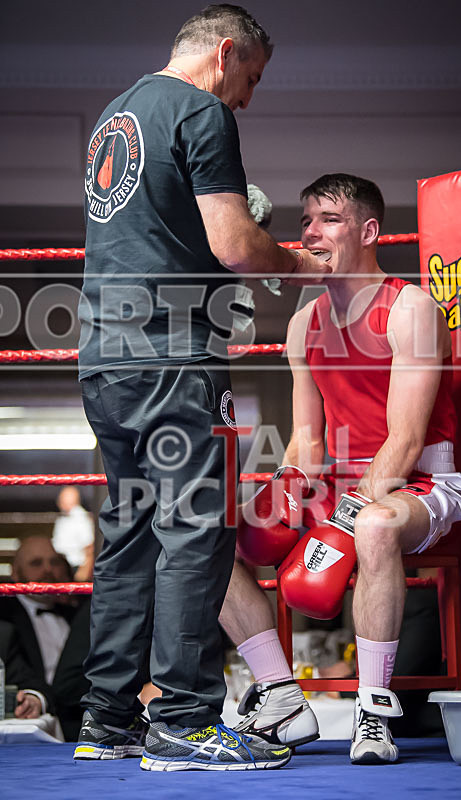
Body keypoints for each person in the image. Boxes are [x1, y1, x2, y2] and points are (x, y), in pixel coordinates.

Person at [75, 4, 328, 772]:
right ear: (225, 55)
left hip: (103, 359)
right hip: (169, 354)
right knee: (195, 528)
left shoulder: (114, 116)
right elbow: (234, 244)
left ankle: (106, 721)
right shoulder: (198, 109)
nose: (246, 98)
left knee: (130, 535)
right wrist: (305, 270)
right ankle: (183, 721)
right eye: (249, 79)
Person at [221, 173, 461, 764]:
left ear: (368, 232)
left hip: (418, 482)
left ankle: (374, 712)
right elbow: (308, 438)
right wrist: (284, 490)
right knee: (206, 537)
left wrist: (347, 514)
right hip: (334, 484)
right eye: (306, 220)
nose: (310, 232)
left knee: (376, 526)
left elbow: (406, 439)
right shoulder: (302, 325)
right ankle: (280, 694)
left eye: (328, 220)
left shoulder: (410, 309)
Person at [0, 536, 91, 740]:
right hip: (29, 721)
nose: (48, 570)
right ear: (15, 573)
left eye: (55, 562)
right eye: (36, 563)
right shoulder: (4, 617)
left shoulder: (78, 614)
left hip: (80, 718)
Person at [52, 487, 94, 580]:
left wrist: (83, 572)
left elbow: (89, 546)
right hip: (62, 567)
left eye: (64, 498)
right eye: (61, 498)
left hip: (75, 567)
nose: (60, 502)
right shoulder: (63, 517)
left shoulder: (80, 518)